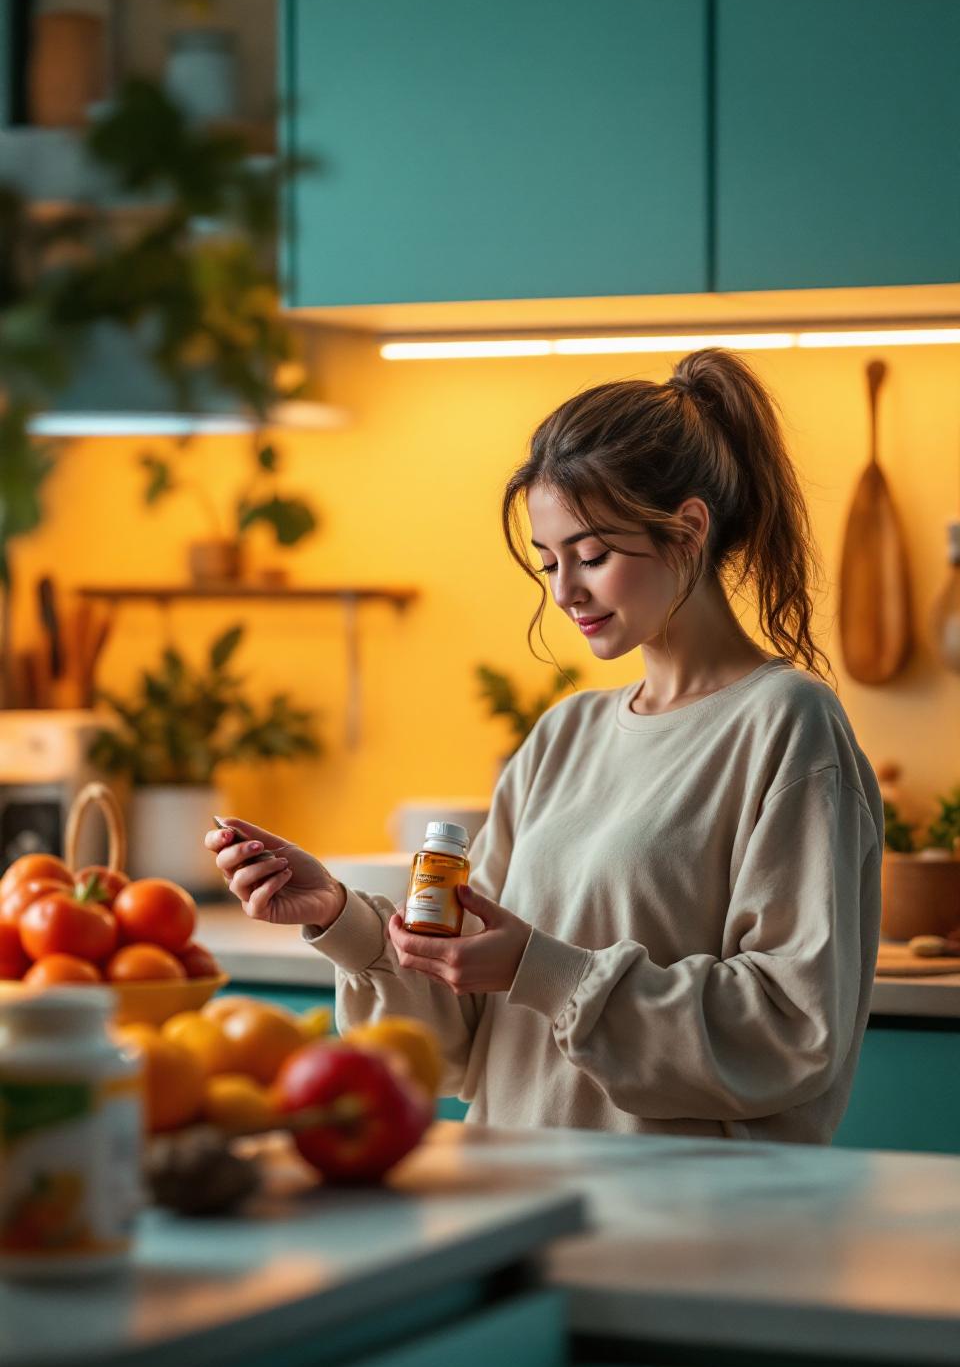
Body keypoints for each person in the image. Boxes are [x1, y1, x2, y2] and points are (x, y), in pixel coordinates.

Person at [207, 348, 882, 1143]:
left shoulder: (786, 726)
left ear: (689, 529)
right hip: (518, 1197)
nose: (565, 592)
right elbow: (460, 1040)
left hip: (683, 1223)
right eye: (549, 562)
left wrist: (540, 969)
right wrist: (341, 918)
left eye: (592, 556)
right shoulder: (564, 737)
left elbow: (788, 1031)